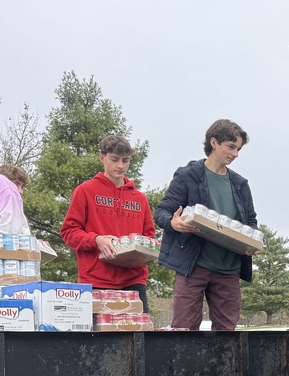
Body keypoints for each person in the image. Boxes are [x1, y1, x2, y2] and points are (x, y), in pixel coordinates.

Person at [153, 119, 256, 331]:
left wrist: (251, 243)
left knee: (228, 335)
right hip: (193, 266)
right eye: (231, 147)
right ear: (214, 143)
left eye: (238, 149)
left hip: (229, 269)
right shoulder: (188, 175)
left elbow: (251, 221)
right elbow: (161, 212)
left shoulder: (240, 184)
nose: (235, 154)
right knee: (184, 331)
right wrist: (173, 223)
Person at [61, 135, 155, 311]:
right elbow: (69, 232)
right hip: (96, 280)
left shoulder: (140, 198)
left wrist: (147, 253)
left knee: (139, 337)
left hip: (133, 281)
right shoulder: (85, 191)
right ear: (102, 158)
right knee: (99, 339)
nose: (120, 166)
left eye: (125, 160)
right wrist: (96, 240)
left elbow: (148, 236)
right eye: (114, 159)